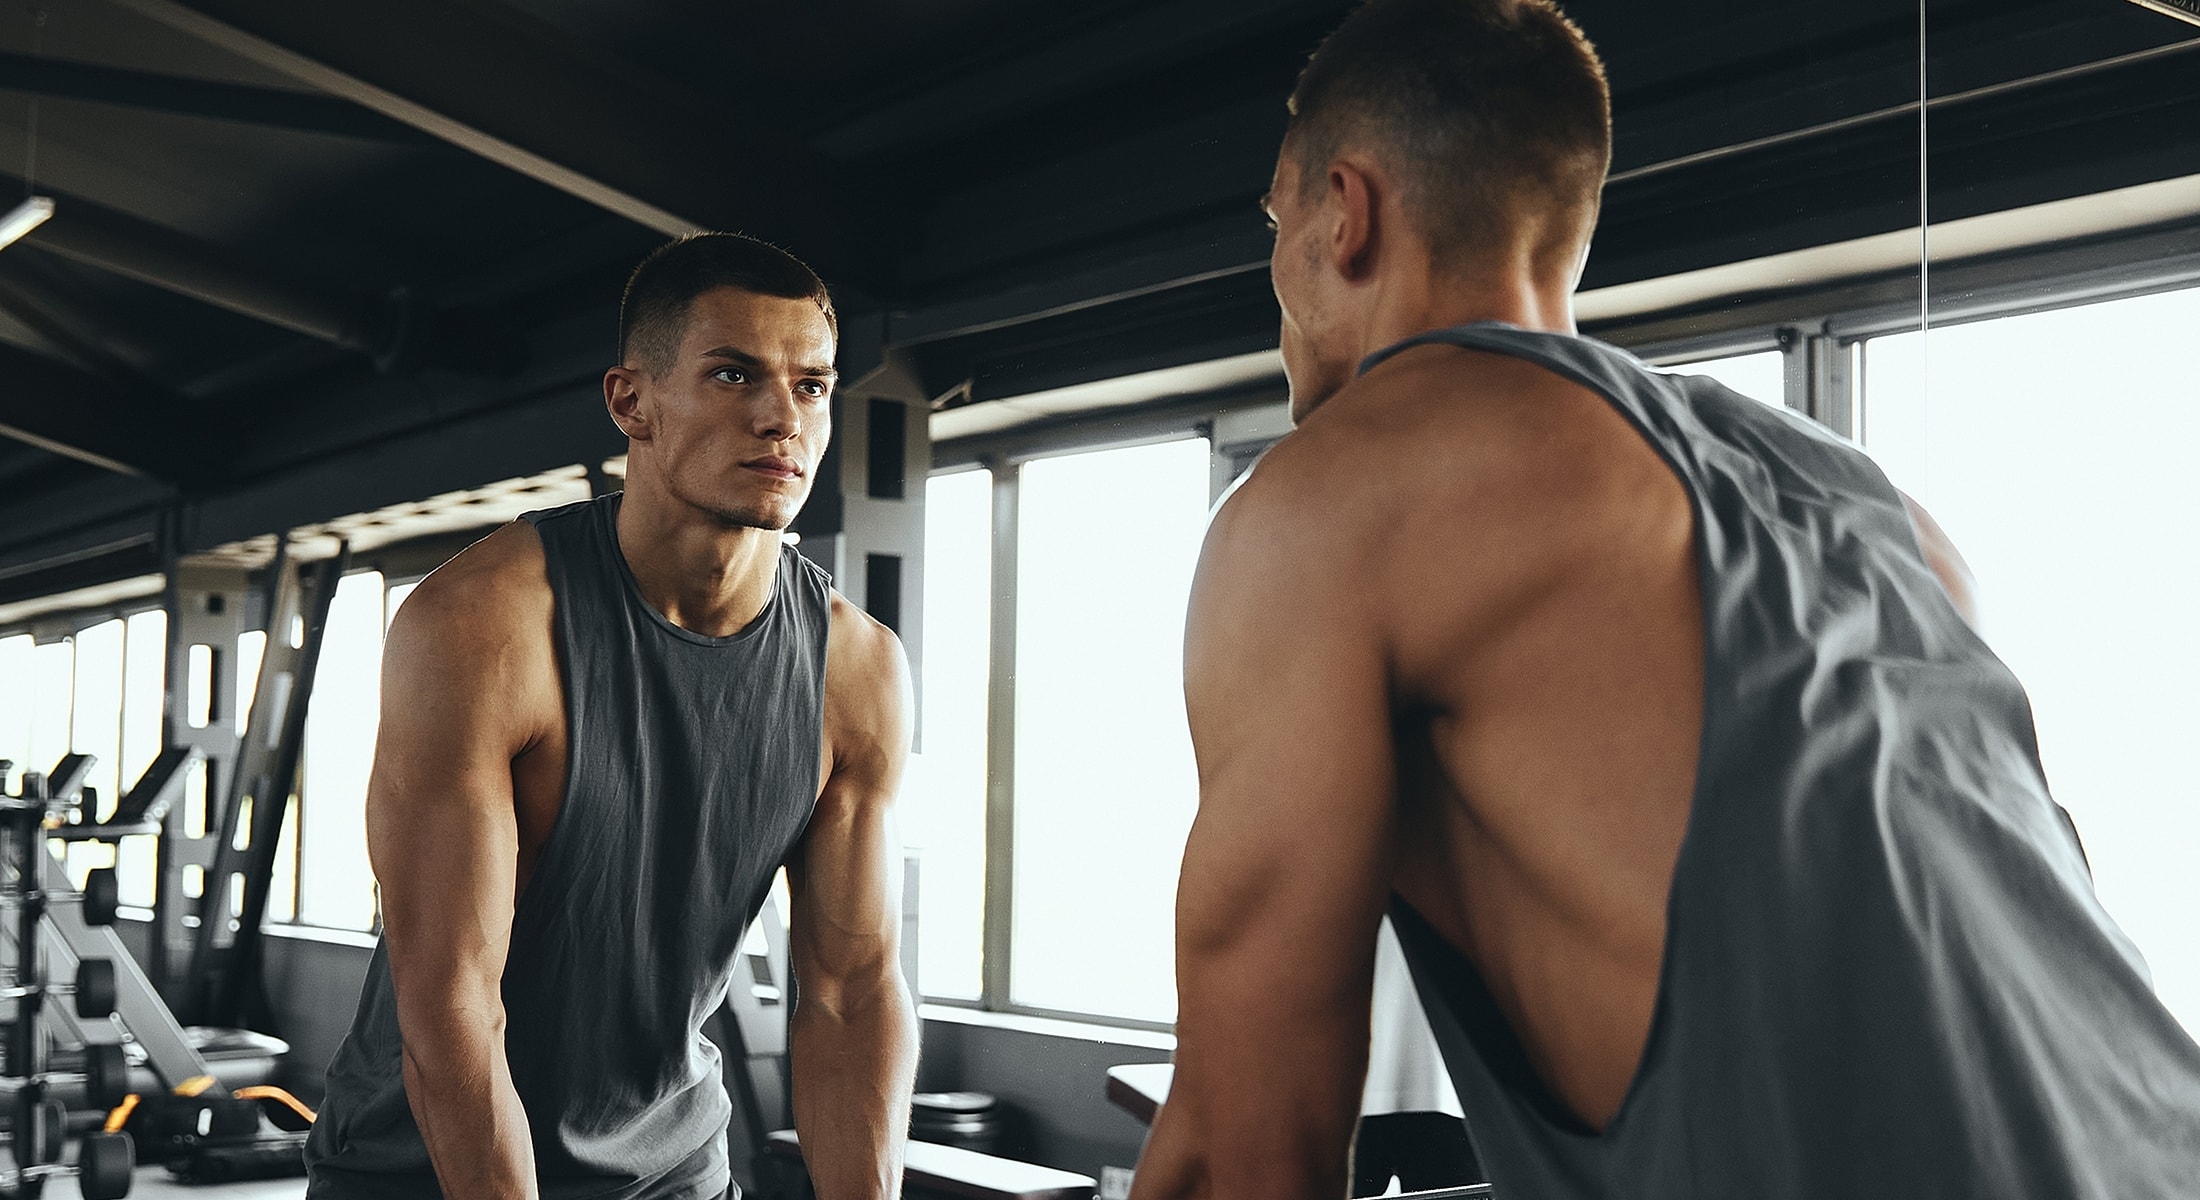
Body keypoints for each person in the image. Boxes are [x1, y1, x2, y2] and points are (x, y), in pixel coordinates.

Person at [1131, 1, 2200, 1198]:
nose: (1275, 261)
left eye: (1275, 221)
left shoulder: (1324, 511)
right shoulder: (1887, 516)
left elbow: (1245, 1152)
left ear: (1344, 211)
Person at [305, 233, 919, 1200]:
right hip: (421, 1171)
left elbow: (852, 995)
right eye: (732, 374)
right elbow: (454, 1006)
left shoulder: (857, 669)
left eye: (811, 386)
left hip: (671, 1170)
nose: (779, 418)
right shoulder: (482, 627)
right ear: (631, 401)